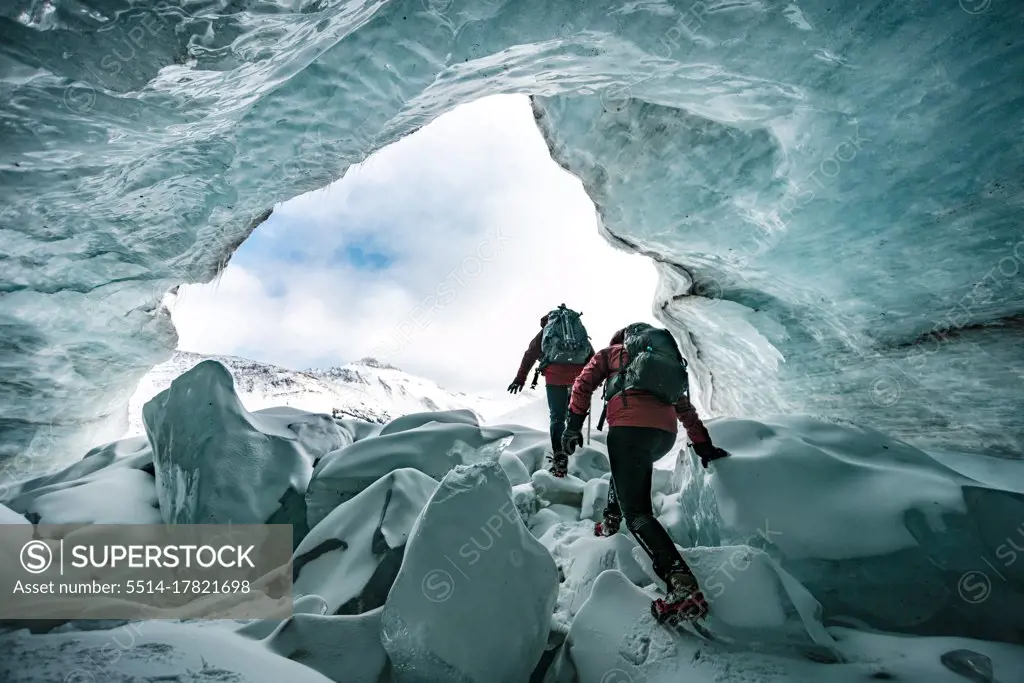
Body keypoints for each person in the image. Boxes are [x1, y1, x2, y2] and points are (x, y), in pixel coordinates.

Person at [560, 323, 730, 621]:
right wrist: (704, 446)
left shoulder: (610, 354)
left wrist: (572, 427)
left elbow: (582, 384)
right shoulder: (662, 364)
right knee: (626, 472)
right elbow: (685, 408)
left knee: (638, 514)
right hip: (662, 435)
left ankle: (683, 585)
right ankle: (611, 520)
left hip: (628, 429)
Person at [508, 308, 593, 477]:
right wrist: (592, 380)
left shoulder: (546, 332)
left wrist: (520, 379)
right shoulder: (577, 331)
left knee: (557, 417)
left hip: (555, 377)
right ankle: (573, 436)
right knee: (574, 411)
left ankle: (560, 459)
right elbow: (592, 355)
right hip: (578, 375)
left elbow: (530, 354)